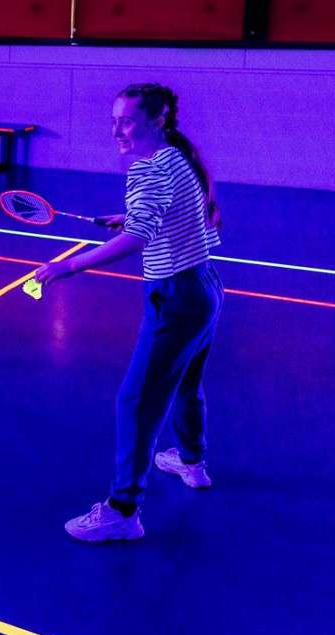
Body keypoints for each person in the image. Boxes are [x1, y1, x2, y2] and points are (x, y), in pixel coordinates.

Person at [34, 83, 225, 542]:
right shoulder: (178, 156)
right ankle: (192, 462)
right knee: (186, 383)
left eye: (127, 122)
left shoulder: (146, 168)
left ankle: (123, 511)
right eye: (114, 121)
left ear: (157, 120)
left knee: (135, 401)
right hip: (205, 288)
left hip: (175, 298)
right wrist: (129, 218)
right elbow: (170, 213)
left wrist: (69, 266)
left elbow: (139, 238)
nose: (117, 131)